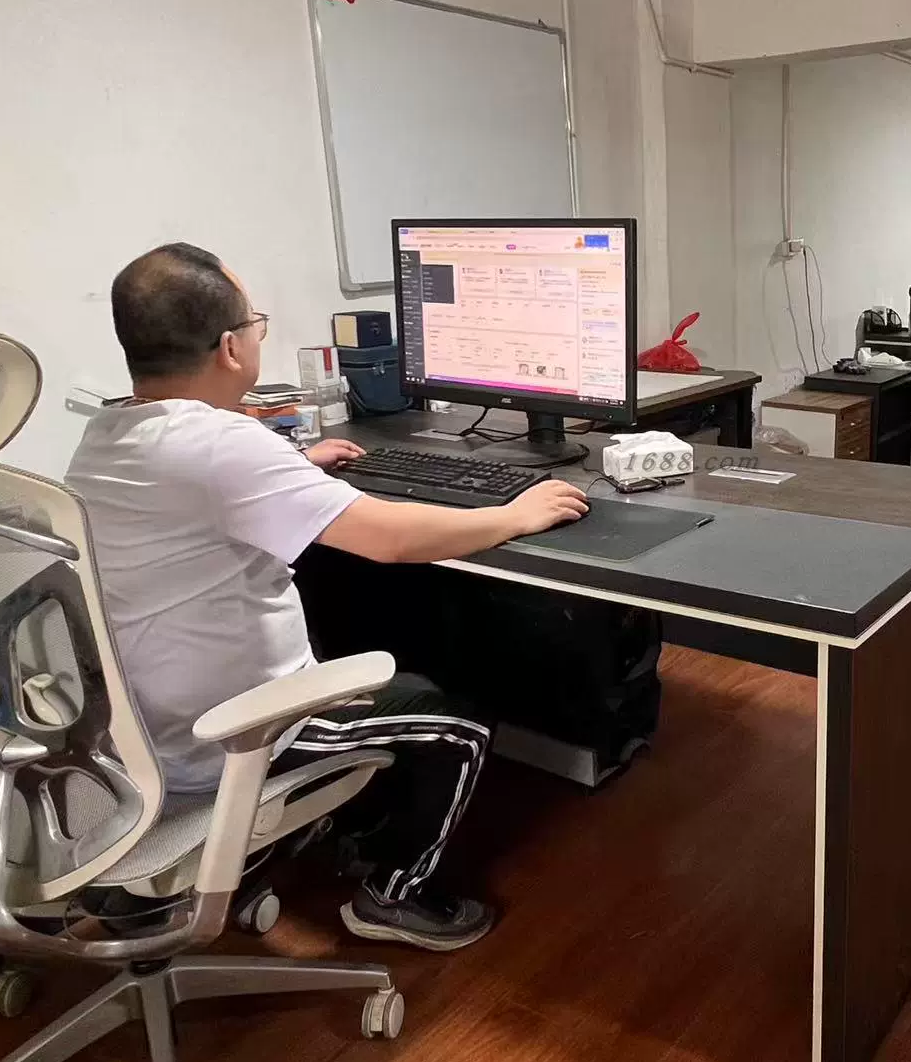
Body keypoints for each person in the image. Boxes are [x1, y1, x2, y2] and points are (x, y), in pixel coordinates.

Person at [66, 242, 589, 951]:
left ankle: (343, 838)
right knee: (457, 723)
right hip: (237, 735)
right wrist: (513, 515)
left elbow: (207, 487)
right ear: (230, 347)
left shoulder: (108, 433)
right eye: (255, 324)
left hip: (144, 731)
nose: (257, 336)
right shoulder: (222, 445)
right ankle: (395, 898)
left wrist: (294, 468)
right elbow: (390, 539)